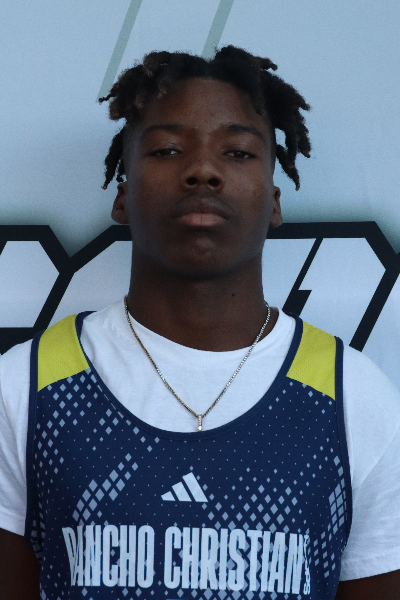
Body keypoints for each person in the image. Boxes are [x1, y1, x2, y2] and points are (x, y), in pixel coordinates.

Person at [0, 46, 400, 600]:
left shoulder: (352, 397)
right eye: (167, 149)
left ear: (274, 201)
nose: (203, 171)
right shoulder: (27, 387)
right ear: (122, 197)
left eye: (237, 152)